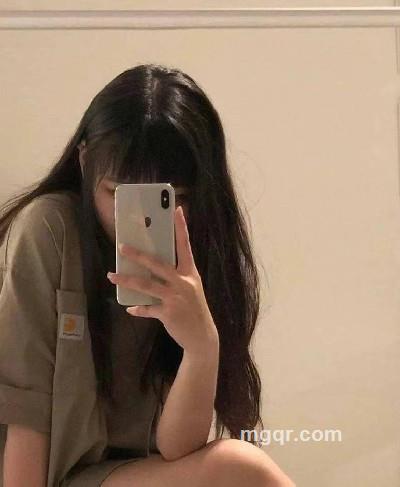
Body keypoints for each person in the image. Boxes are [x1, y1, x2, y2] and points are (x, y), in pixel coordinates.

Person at [0, 63, 296, 486]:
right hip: (47, 475)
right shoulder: (49, 228)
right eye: (118, 194)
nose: (137, 220)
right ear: (84, 162)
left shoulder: (197, 251)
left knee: (241, 468)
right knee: (242, 467)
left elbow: (177, 449)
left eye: (169, 198)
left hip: (121, 474)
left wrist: (200, 346)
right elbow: (24, 413)